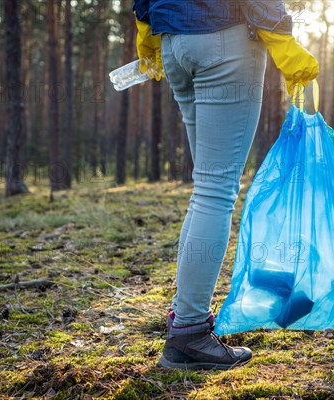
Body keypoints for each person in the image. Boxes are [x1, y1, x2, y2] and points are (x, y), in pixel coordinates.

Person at [132, 0, 319, 370]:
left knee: (206, 191)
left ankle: (185, 322)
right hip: (223, 38)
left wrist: (146, 31)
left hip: (174, 43)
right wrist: (282, 39)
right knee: (215, 192)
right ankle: (189, 332)